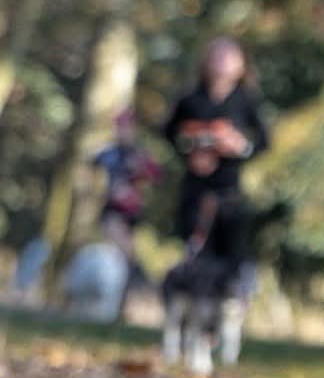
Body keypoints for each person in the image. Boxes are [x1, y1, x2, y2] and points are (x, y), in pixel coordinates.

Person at [161, 37, 271, 281]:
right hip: (195, 188)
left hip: (229, 190)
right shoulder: (190, 98)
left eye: (230, 57)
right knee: (196, 247)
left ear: (241, 65)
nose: (223, 62)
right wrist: (190, 150)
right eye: (218, 56)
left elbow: (263, 142)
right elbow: (169, 132)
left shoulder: (246, 100)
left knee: (231, 250)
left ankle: (229, 294)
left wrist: (241, 147)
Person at [90, 109, 163, 282]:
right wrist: (107, 191)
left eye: (128, 127)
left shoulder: (140, 155)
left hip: (133, 213)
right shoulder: (107, 153)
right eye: (120, 127)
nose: (124, 131)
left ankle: (131, 284)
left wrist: (141, 175)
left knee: (126, 255)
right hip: (111, 211)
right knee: (118, 249)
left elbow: (157, 177)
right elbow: (89, 174)